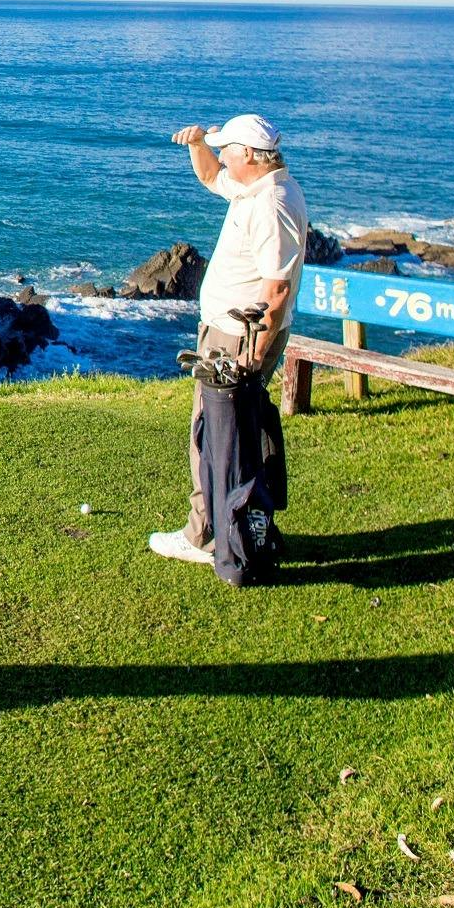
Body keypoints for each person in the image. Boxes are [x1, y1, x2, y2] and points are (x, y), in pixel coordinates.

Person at [148, 113, 308, 569]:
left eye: (227, 149)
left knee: (211, 432)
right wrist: (197, 144)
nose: (222, 156)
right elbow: (211, 175)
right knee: (227, 431)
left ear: (251, 156)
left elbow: (276, 289)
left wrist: (254, 352)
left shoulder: (271, 204)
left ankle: (203, 534)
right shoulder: (256, 187)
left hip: (239, 335)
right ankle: (236, 521)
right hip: (231, 331)